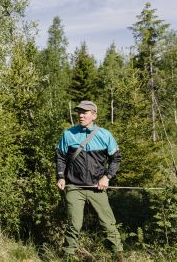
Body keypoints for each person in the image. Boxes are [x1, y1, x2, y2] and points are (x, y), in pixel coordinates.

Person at [55, 100, 123, 259]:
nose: (80, 115)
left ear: (94, 115)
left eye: (85, 112)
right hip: (74, 187)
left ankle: (118, 256)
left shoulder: (105, 135)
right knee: (74, 225)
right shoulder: (68, 134)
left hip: (97, 188)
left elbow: (116, 158)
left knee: (108, 224)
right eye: (79, 112)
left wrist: (107, 177)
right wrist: (60, 177)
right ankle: (68, 256)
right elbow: (60, 158)